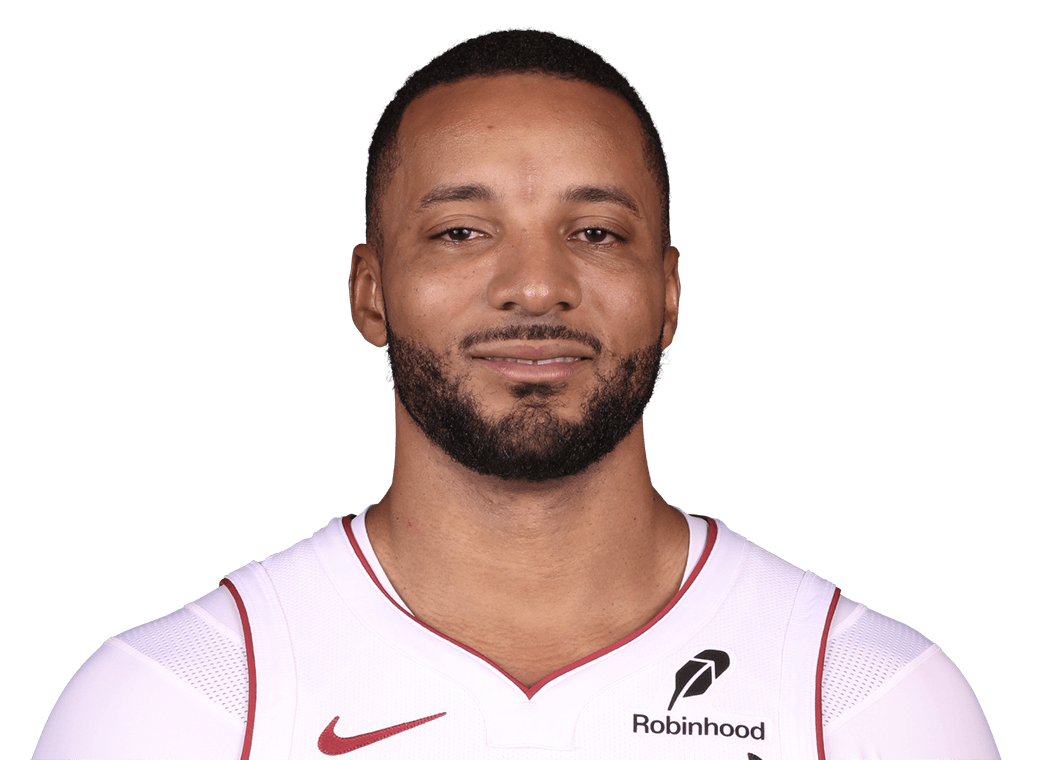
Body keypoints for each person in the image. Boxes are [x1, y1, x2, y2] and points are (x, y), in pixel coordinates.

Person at [34, 29, 1000, 759]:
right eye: (461, 232)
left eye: (595, 233)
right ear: (370, 291)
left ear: (669, 294)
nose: (536, 288)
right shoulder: (177, 704)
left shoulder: (866, 702)